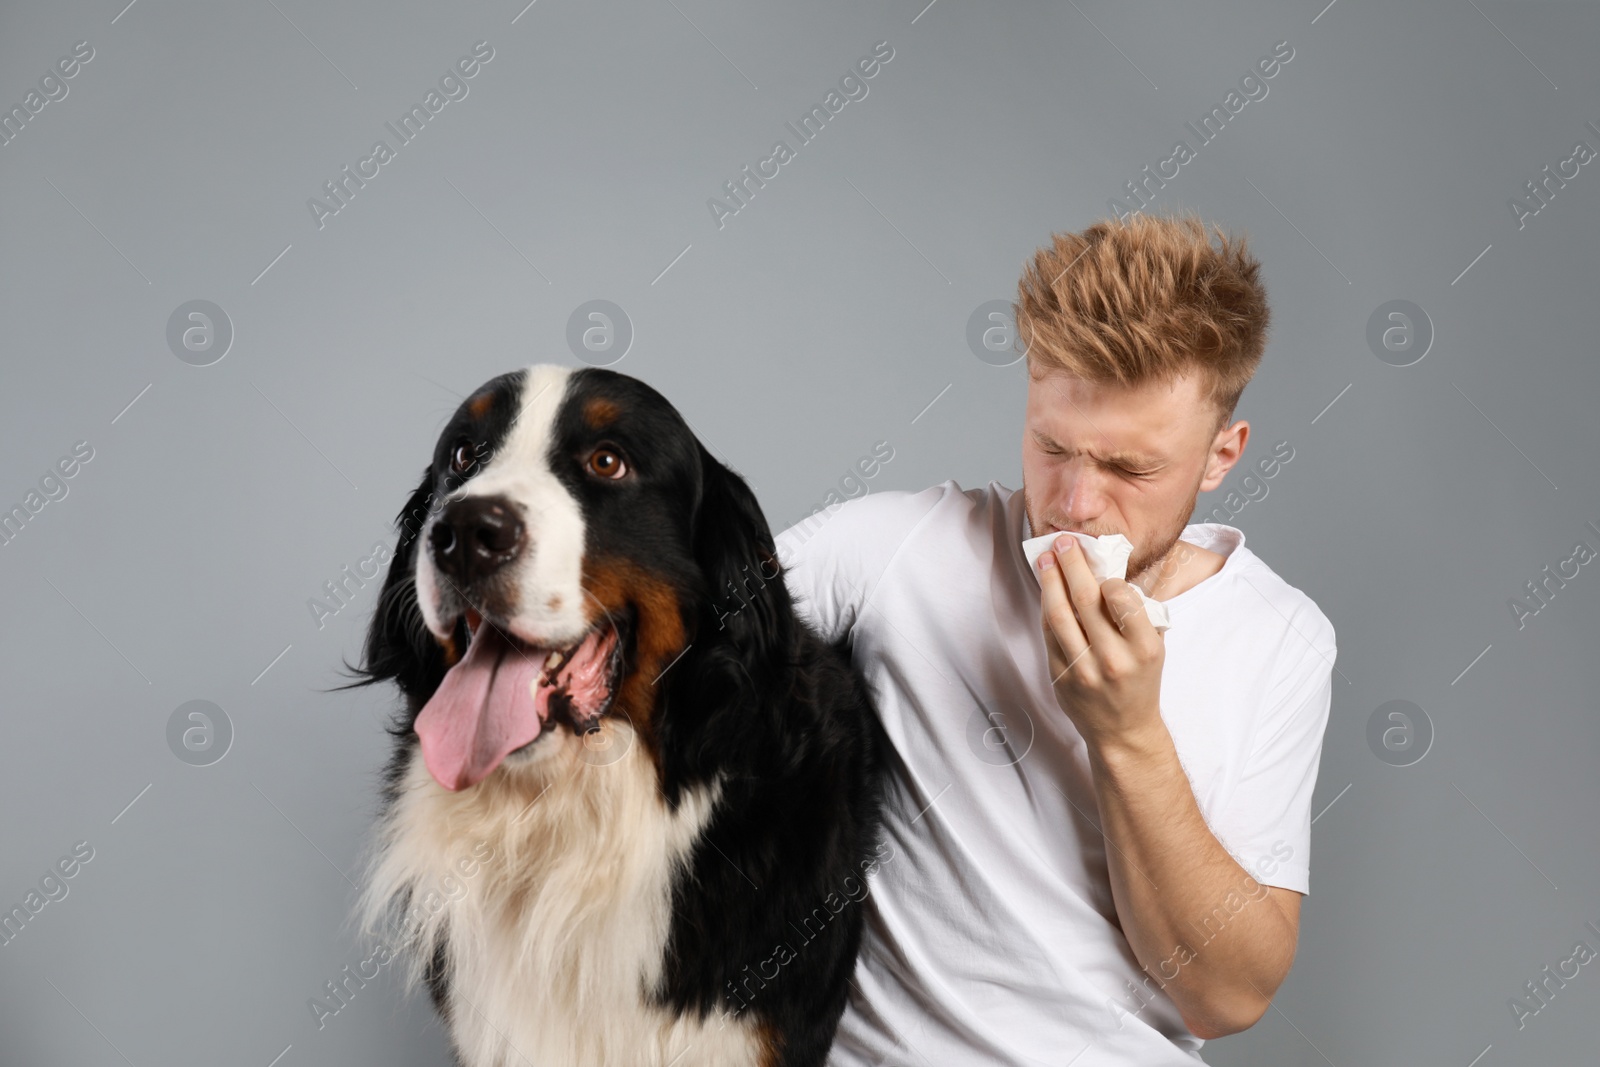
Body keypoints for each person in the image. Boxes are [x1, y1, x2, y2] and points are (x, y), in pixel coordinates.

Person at [775, 212, 1337, 1065]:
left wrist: (1127, 733)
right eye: (1053, 447)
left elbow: (1225, 996)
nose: (1074, 502)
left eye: (1129, 469)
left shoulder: (1281, 639)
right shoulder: (895, 550)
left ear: (1221, 456)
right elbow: (664, 646)